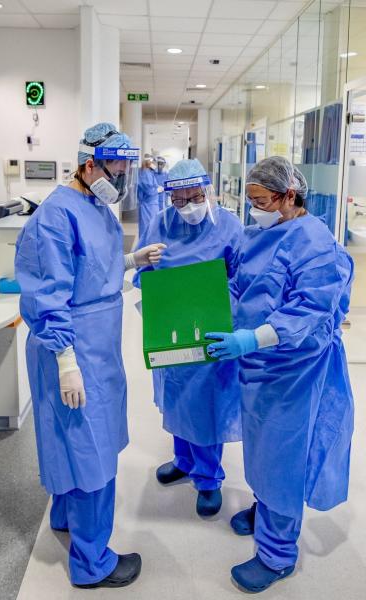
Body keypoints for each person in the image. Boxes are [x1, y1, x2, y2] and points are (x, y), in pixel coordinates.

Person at [15, 122, 166, 589]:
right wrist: (65, 360)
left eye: (125, 168)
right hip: (73, 346)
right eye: (114, 167)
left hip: (97, 345)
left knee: (73, 439)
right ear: (87, 164)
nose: (121, 177)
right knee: (89, 449)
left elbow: (91, 269)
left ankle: (64, 516)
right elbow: (49, 297)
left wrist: (132, 262)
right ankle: (92, 562)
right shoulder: (55, 217)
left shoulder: (95, 205)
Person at [206, 156, 355, 594]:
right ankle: (263, 506)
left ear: (289, 196)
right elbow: (242, 282)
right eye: (250, 201)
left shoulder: (315, 241)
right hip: (259, 365)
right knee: (262, 447)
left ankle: (276, 555)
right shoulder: (263, 231)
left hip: (294, 369)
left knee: (282, 458)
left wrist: (251, 339)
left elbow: (310, 310)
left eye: (261, 201)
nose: (255, 210)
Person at [134, 159, 243, 517]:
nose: (188, 207)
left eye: (195, 197)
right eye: (179, 201)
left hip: (211, 327)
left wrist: (217, 294)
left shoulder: (228, 225)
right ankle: (183, 460)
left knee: (205, 406)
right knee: (176, 398)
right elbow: (142, 275)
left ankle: (209, 479)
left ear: (208, 191)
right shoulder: (160, 223)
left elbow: (244, 278)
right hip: (172, 328)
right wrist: (145, 268)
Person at [136, 155, 162, 246]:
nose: (155, 165)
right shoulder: (145, 173)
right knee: (147, 227)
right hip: (148, 206)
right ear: (148, 163)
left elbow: (151, 186)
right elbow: (148, 190)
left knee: (152, 226)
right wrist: (157, 190)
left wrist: (157, 187)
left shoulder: (148, 172)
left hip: (152, 205)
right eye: (153, 163)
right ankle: (145, 246)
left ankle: (150, 245)